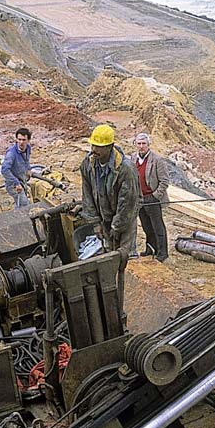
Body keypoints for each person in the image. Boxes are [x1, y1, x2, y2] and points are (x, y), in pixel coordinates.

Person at [80, 124, 139, 306]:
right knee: (108, 254)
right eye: (92, 145)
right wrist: (95, 222)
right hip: (103, 219)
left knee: (126, 255)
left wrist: (117, 227)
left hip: (124, 220)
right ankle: (110, 293)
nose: (94, 150)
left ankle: (130, 297)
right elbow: (87, 194)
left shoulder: (125, 169)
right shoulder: (88, 164)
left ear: (109, 147)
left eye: (98, 146)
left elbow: (127, 204)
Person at [132, 133, 170, 262]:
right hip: (139, 198)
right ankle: (150, 248)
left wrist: (155, 196)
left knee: (158, 226)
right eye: (139, 143)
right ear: (135, 144)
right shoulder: (133, 158)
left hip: (152, 198)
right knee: (146, 226)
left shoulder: (157, 160)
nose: (141, 146)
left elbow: (164, 181)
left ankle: (162, 253)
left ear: (148, 145)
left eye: (144, 144)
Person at [1, 127, 32, 208]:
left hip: (22, 180)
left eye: (24, 140)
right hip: (13, 184)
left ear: (28, 140)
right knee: (24, 205)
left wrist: (28, 169)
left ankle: (17, 216)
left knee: (19, 204)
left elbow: (26, 160)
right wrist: (16, 183)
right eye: (19, 139)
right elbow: (4, 170)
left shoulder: (28, 148)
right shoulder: (11, 153)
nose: (21, 142)